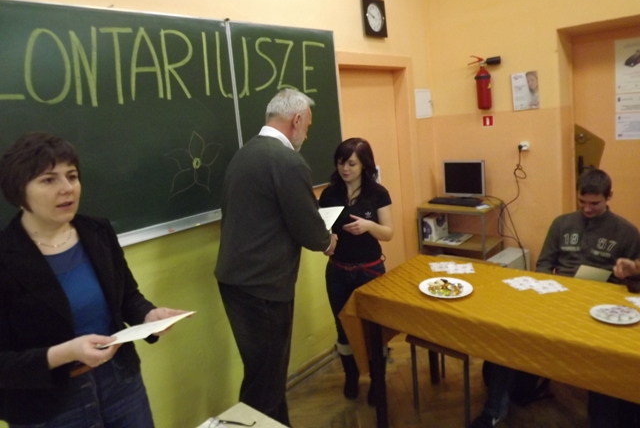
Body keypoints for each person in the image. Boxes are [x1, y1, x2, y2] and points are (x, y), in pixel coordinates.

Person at [0, 132, 187, 427]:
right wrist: (66, 353)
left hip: (120, 382)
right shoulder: (6, 256)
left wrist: (149, 316)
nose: (67, 188)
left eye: (72, 176)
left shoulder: (97, 231)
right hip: (49, 404)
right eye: (49, 180)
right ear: (18, 191)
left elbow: (128, 297)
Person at [472, 168, 640, 428]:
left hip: (601, 306)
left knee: (607, 358)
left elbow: (634, 284)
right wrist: (546, 290)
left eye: (594, 203)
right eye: (582, 202)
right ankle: (493, 411)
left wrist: (630, 273)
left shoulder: (627, 232)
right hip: (558, 298)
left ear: (609, 197)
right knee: (509, 332)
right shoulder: (562, 223)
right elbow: (544, 264)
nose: (587, 209)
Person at [215, 88, 337, 426]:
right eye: (308, 127)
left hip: (235, 282)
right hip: (264, 286)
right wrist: (328, 240)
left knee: (262, 372)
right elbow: (309, 229)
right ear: (296, 120)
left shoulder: (244, 154)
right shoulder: (287, 161)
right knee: (264, 385)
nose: (307, 135)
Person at [318, 138, 393, 403]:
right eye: (341, 163)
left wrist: (368, 226)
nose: (345, 169)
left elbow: (388, 233)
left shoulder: (378, 193)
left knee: (374, 330)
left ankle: (377, 382)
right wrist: (326, 242)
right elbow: (322, 232)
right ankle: (351, 377)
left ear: (364, 165)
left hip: (370, 272)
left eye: (351, 163)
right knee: (343, 329)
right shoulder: (329, 195)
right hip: (338, 272)